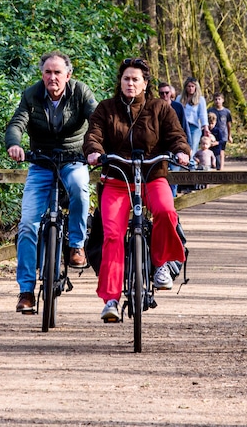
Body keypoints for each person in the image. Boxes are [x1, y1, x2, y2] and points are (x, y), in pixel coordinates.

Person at [84, 57, 190, 322]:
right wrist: (95, 152)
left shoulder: (160, 108)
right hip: (117, 177)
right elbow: (93, 134)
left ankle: (162, 266)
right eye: (126, 79)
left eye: (135, 79)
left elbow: (176, 135)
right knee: (112, 235)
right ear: (120, 82)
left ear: (145, 84)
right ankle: (110, 298)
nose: (130, 83)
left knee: (166, 211)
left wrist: (180, 151)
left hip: (153, 175)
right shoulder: (106, 108)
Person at [4, 51, 98, 314]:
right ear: (42, 74)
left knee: (80, 189)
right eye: (48, 72)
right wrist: (14, 144)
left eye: (58, 72)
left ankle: (77, 244)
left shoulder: (81, 93)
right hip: (41, 162)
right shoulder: (31, 95)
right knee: (27, 225)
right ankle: (26, 290)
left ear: (68, 75)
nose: (52, 77)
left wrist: (95, 148)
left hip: (73, 159)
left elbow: (98, 121)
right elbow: (16, 124)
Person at [177, 77, 209, 154]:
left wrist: (206, 128)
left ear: (196, 87)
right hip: (182, 126)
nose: (191, 88)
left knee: (192, 149)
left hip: (194, 127)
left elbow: (203, 114)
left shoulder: (200, 99)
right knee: (181, 147)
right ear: (185, 87)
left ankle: (191, 164)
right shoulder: (179, 98)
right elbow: (175, 112)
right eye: (189, 86)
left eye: (192, 86)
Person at [207, 95, 233, 169]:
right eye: (215, 99)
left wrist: (229, 135)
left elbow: (229, 124)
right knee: (211, 150)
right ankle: (211, 165)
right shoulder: (210, 111)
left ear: (223, 100)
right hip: (212, 134)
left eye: (219, 99)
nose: (217, 101)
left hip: (223, 134)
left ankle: (221, 168)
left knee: (221, 151)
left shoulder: (227, 112)